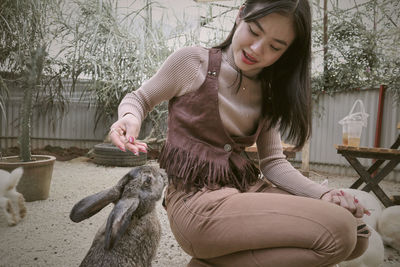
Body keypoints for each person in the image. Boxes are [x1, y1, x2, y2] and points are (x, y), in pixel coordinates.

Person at [109, 0, 371, 266]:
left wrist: (323, 194)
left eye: (275, 46)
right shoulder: (193, 62)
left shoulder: (269, 91)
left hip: (245, 191)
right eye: (255, 31)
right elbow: (140, 99)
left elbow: (274, 163)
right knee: (339, 232)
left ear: (287, 52)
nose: (257, 49)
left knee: (359, 233)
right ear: (240, 15)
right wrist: (128, 119)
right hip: (198, 203)